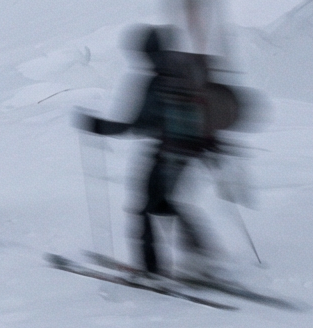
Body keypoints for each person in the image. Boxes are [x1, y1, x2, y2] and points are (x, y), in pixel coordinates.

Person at [80, 25, 217, 279]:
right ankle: (200, 255)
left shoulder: (156, 80)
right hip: (193, 150)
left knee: (144, 207)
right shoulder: (188, 70)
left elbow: (136, 124)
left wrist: (97, 126)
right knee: (164, 202)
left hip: (168, 151)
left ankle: (150, 269)